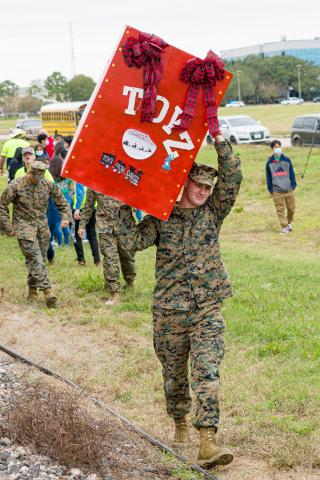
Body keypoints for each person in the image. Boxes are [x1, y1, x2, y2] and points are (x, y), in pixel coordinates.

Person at [121, 134, 242, 469]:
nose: (204, 191)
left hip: (206, 308)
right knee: (174, 377)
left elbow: (232, 176)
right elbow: (131, 242)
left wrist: (219, 140)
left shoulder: (213, 212)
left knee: (206, 370)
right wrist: (121, 203)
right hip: (169, 311)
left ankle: (208, 443)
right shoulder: (163, 216)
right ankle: (179, 421)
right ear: (185, 183)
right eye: (198, 185)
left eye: (207, 187)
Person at [0, 161, 72, 307]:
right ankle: (48, 292)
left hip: (42, 229)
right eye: (36, 177)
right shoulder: (16, 185)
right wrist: (8, 227)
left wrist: (65, 217)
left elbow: (63, 203)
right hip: (24, 228)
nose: (38, 181)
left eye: (41, 178)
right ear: (30, 173)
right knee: (36, 259)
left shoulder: (47, 184)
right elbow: (1, 205)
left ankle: (32, 291)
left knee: (39, 260)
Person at [78, 190, 136, 305]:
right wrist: (82, 225)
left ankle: (130, 281)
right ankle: (114, 292)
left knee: (127, 256)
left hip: (125, 226)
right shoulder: (95, 182)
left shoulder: (125, 177)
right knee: (110, 258)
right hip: (105, 226)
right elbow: (88, 205)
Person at [266, 140, 297, 234]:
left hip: (288, 189)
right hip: (276, 190)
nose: (278, 149)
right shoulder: (269, 163)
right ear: (272, 149)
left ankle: (289, 222)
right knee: (280, 209)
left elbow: (291, 173)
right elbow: (268, 177)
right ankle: (284, 226)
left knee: (291, 208)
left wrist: (294, 184)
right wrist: (271, 189)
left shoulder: (287, 160)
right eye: (275, 147)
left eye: (279, 146)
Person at [73, 183, 100, 266]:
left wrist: (77, 208)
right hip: (93, 207)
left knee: (77, 235)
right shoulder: (90, 176)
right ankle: (97, 261)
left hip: (81, 208)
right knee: (92, 234)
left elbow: (80, 193)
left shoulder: (79, 176)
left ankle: (81, 260)